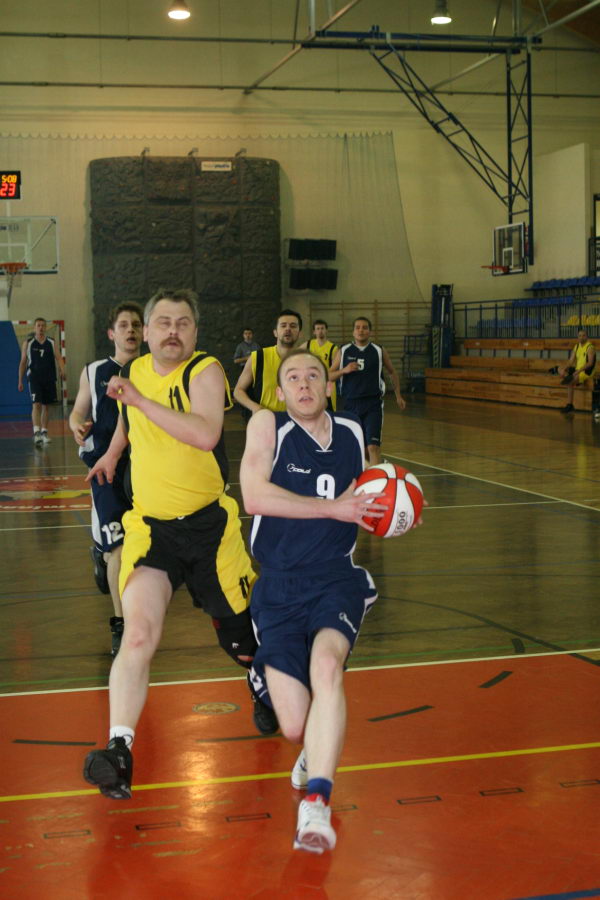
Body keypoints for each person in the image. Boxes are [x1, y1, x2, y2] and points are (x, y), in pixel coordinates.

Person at [82, 288, 273, 800]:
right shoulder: (135, 372)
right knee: (137, 636)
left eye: (183, 323)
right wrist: (112, 453)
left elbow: (206, 434)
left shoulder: (205, 370)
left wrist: (140, 400)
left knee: (242, 642)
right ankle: (118, 749)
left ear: (195, 332)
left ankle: (259, 681)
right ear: (145, 332)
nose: (173, 331)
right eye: (163, 322)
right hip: (152, 529)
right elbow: (128, 421)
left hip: (210, 528)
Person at [240, 348, 387, 854]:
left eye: (313, 376)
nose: (304, 384)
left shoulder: (351, 430)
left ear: (329, 385)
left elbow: (370, 494)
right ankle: (303, 734)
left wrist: (399, 507)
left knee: (327, 668)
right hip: (279, 585)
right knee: (294, 725)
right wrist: (332, 508)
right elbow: (254, 496)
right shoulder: (268, 425)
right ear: (280, 391)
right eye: (293, 378)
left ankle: (317, 802)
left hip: (334, 578)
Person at [69, 302, 144, 657]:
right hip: (105, 467)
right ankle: (121, 624)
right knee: (119, 547)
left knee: (143, 548)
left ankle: (100, 552)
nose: (131, 330)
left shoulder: (153, 371)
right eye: (124, 325)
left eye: (136, 325)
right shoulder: (94, 370)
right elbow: (77, 412)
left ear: (144, 333)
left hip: (145, 466)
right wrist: (76, 425)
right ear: (112, 333)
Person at [329, 316, 405, 465]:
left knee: (373, 446)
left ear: (370, 331)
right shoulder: (344, 350)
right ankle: (372, 468)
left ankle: (376, 476)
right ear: (353, 331)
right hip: (350, 404)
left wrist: (398, 396)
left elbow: (392, 372)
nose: (361, 330)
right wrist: (344, 370)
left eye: (364, 327)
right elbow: (329, 375)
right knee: (357, 447)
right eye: (357, 327)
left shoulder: (379, 350)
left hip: (373, 404)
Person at [233, 309, 302, 415]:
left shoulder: (308, 361)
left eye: (293, 326)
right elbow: (238, 391)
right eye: (283, 325)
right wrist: (255, 407)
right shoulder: (258, 357)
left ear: (300, 333)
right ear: (275, 332)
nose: (288, 329)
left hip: (298, 419)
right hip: (267, 419)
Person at [17, 317, 65, 445]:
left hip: (49, 377)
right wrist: (20, 380)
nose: (41, 328)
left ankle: (44, 432)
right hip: (34, 378)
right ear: (34, 328)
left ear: (46, 328)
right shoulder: (28, 343)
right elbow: (23, 362)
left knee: (46, 406)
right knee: (36, 404)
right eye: (38, 325)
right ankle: (36, 433)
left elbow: (59, 358)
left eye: (43, 325)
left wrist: (62, 370)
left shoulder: (51, 342)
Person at [300, 319, 338, 410]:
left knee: (329, 410)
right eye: (318, 329)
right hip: (311, 382)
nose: (320, 331)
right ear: (314, 332)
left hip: (327, 382)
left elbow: (334, 368)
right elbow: (295, 355)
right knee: (312, 408)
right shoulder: (308, 344)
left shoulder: (333, 348)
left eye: (322, 328)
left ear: (326, 330)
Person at [556, 329, 596, 414]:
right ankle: (574, 379)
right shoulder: (577, 346)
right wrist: (564, 369)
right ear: (578, 337)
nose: (581, 337)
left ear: (587, 337)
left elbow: (590, 363)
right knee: (559, 369)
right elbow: (571, 361)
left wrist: (578, 371)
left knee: (570, 382)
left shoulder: (590, 347)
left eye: (583, 335)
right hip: (578, 370)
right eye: (580, 336)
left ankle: (570, 405)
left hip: (587, 371)